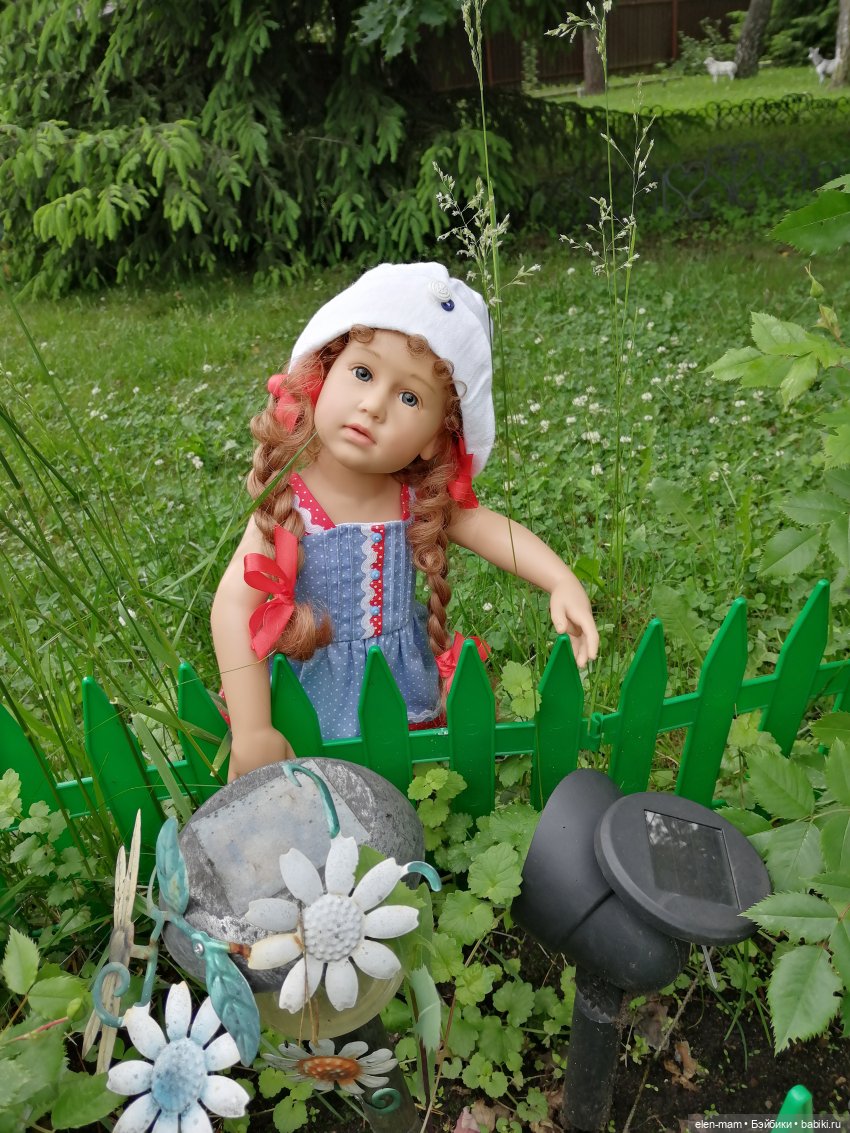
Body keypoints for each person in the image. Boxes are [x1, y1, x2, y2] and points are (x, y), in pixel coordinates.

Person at [212, 262, 598, 780]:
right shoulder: (289, 503)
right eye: (362, 373)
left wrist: (560, 579)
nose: (373, 406)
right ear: (321, 375)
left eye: (409, 397)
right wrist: (254, 729)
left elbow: (486, 527)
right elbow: (234, 605)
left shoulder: (412, 499)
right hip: (305, 697)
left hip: (397, 693)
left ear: (436, 438)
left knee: (407, 790)